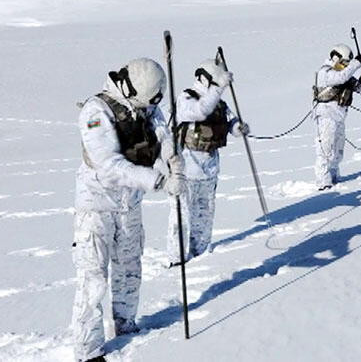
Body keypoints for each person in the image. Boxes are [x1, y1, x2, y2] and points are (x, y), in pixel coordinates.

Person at [72, 58, 185, 362]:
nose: (150, 109)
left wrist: (173, 160)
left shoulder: (146, 102)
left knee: (130, 268)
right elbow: (109, 166)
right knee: (93, 278)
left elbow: (161, 134)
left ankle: (125, 324)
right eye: (147, 103)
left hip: (130, 204)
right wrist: (158, 180)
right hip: (97, 206)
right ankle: (88, 350)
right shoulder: (96, 112)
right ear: (130, 88)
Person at [167, 57, 249, 266]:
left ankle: (200, 256)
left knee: (204, 214)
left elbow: (230, 121)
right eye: (215, 82)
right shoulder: (186, 98)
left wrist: (238, 128)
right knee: (182, 216)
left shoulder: (219, 103)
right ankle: (177, 259)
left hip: (209, 168)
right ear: (205, 79)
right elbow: (200, 111)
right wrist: (218, 88)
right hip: (187, 168)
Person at [313, 44, 361, 190]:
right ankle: (323, 180)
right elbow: (341, 77)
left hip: (339, 117)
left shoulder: (342, 73)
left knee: (338, 150)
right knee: (325, 149)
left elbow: (357, 87)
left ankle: (333, 176)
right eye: (344, 62)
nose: (346, 66)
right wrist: (356, 64)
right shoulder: (325, 72)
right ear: (336, 58)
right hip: (326, 116)